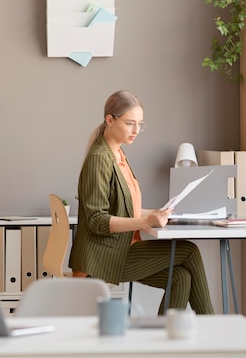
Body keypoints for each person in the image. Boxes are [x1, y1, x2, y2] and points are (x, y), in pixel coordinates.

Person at [69, 90, 214, 314]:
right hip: (104, 257)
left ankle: (163, 345)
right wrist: (145, 221)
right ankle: (214, 328)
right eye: (130, 123)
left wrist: (155, 213)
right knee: (189, 251)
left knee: (181, 277)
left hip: (121, 247)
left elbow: (126, 209)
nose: (136, 130)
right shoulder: (100, 158)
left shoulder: (118, 155)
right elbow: (98, 221)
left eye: (140, 124)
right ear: (110, 120)